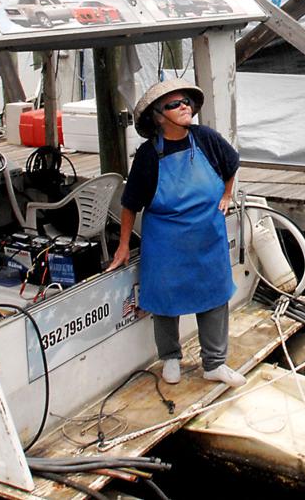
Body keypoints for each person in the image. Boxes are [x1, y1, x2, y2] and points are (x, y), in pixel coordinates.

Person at [107, 78, 246, 387]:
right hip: (166, 241)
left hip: (207, 236)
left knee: (215, 296)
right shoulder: (148, 155)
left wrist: (226, 195)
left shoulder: (206, 138)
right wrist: (123, 245)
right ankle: (170, 357)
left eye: (186, 102)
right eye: (174, 104)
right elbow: (130, 204)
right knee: (165, 299)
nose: (184, 107)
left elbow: (231, 164)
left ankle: (215, 363)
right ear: (159, 116)